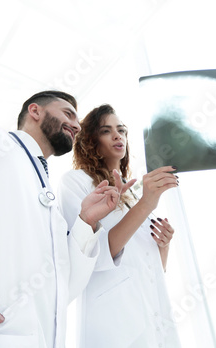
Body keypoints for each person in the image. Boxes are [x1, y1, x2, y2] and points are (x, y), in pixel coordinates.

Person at [0, 91, 126, 347]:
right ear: (35, 111)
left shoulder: (48, 202)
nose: (77, 126)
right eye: (68, 113)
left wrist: (86, 222)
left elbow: (60, 291)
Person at [59, 104, 181, 347]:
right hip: (114, 320)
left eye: (122, 130)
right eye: (106, 131)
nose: (118, 136)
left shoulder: (134, 192)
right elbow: (94, 255)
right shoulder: (77, 182)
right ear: (90, 141)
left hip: (152, 309)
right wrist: (146, 205)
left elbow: (148, 267)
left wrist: (163, 247)